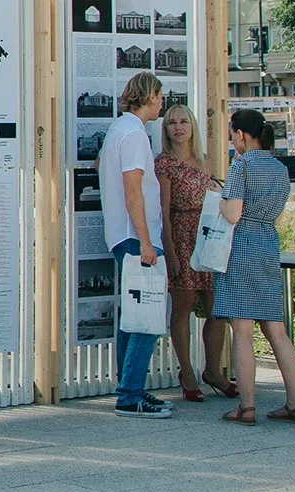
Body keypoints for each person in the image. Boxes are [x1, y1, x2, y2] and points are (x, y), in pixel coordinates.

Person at [217, 108, 295, 425]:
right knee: (276, 330)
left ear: (241, 135)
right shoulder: (280, 169)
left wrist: (217, 200)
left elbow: (232, 214)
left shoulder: (240, 165)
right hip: (268, 243)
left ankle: (247, 406)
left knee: (242, 331)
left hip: (241, 246)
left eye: (232, 133)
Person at [98, 71, 171, 418]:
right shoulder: (134, 135)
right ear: (150, 96)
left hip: (121, 233)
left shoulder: (118, 130)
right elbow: (133, 191)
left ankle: (129, 388)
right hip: (134, 235)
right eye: (160, 96)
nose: (162, 103)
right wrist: (146, 241)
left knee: (132, 314)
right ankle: (130, 394)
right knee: (147, 315)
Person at [157, 101, 233, 401]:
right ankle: (187, 373)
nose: (178, 127)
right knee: (183, 307)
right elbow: (162, 210)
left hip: (208, 238)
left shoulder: (203, 160)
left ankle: (212, 370)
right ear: (166, 130)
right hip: (181, 233)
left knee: (218, 309)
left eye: (183, 122)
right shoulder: (164, 163)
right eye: (172, 123)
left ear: (192, 127)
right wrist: (171, 250)